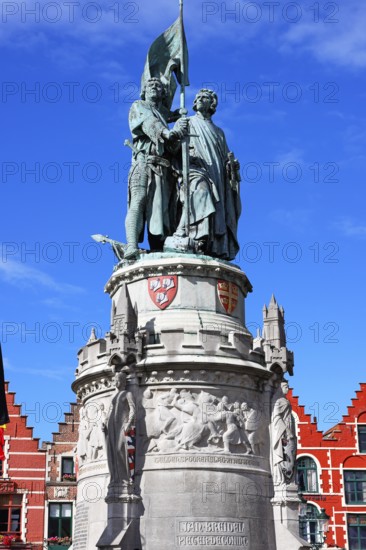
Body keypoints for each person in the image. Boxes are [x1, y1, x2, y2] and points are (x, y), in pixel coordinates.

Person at [173, 89, 241, 260]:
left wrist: (232, 165)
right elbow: (172, 147)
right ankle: (196, 237)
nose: (199, 99)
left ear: (212, 104)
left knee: (220, 207)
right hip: (194, 169)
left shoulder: (219, 132)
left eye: (204, 97)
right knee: (202, 192)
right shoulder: (186, 122)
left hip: (217, 173)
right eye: (197, 97)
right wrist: (177, 135)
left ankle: (214, 245)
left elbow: (225, 156)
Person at [125, 77, 188, 259]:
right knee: (139, 201)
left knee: (163, 210)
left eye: (158, 86)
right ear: (144, 91)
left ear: (163, 94)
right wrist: (169, 132)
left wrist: (178, 126)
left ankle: (159, 247)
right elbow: (149, 123)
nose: (154, 87)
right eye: (150, 85)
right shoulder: (139, 106)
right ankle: (132, 245)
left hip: (164, 168)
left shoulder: (163, 116)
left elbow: (171, 145)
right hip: (144, 162)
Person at [103, 372, 135, 494]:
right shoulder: (113, 396)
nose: (115, 381)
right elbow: (109, 411)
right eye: (115, 379)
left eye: (117, 379)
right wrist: (105, 422)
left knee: (120, 449)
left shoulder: (128, 394)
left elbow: (132, 408)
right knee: (112, 452)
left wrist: (128, 423)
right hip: (111, 426)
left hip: (122, 425)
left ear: (122, 381)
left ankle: (125, 479)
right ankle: (115, 478)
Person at [271, 381, 297, 485]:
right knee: (285, 453)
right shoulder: (279, 401)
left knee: (290, 455)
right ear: (280, 388)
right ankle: (282, 478)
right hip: (284, 432)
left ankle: (287, 478)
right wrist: (286, 430)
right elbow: (276, 417)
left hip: (289, 430)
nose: (288, 389)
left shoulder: (284, 400)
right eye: (286, 386)